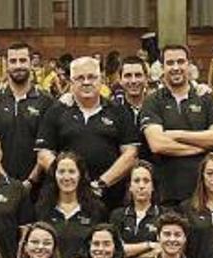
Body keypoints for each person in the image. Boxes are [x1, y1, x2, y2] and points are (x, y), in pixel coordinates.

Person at [35, 56, 140, 206]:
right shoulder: (55, 111)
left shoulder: (119, 111)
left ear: (101, 80)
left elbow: (130, 153)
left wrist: (101, 184)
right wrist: (69, 180)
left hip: (109, 199)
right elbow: (44, 154)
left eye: (92, 77)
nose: (86, 82)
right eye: (80, 78)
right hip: (64, 200)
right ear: (71, 83)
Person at [140, 45, 213, 205]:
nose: (176, 68)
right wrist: (200, 148)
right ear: (162, 67)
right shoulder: (152, 101)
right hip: (166, 194)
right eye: (170, 63)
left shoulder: (206, 98)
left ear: (189, 64)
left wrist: (176, 134)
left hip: (202, 194)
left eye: (180, 62)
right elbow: (158, 144)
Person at [0, 43, 52, 190]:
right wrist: (5, 180)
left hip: (38, 187)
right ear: (6, 65)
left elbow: (48, 148)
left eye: (22, 60)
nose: (18, 65)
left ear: (31, 63)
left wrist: (31, 182)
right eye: (13, 61)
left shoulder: (47, 102)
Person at [36, 152, 105, 258]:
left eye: (72, 171)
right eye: (61, 172)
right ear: (54, 175)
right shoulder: (42, 209)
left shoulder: (96, 209)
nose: (66, 177)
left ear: (80, 175)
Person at [111, 161, 165, 258]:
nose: (141, 186)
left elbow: (163, 251)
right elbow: (115, 250)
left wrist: (130, 256)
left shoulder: (164, 215)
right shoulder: (117, 215)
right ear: (130, 187)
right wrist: (149, 245)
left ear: (153, 186)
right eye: (136, 181)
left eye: (146, 181)